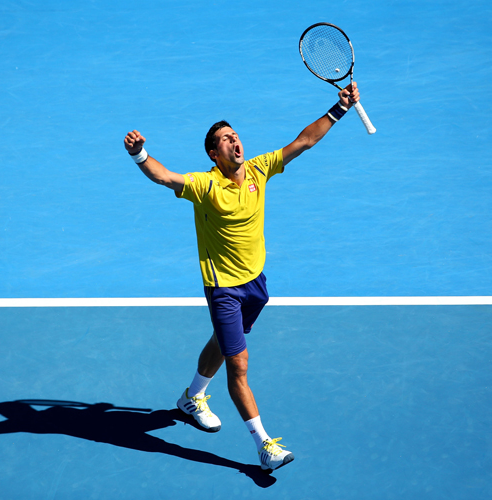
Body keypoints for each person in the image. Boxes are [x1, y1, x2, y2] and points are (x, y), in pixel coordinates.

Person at [123, 83, 361, 471]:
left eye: (235, 135)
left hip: (256, 285)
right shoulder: (205, 186)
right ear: (214, 154)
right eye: (225, 140)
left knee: (223, 338)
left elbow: (303, 142)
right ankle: (264, 446)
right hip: (224, 290)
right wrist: (139, 154)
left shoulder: (259, 169)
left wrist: (339, 108)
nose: (235, 142)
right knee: (239, 364)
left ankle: (191, 398)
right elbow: (165, 177)